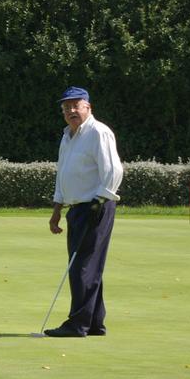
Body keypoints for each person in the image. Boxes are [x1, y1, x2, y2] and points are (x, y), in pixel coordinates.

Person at [45, 87, 124, 337]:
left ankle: (77, 324)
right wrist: (57, 209)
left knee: (82, 265)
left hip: (96, 206)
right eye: (66, 107)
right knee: (87, 265)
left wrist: (98, 202)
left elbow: (113, 171)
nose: (70, 111)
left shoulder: (98, 132)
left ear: (88, 107)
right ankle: (93, 323)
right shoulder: (67, 136)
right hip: (76, 208)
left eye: (75, 105)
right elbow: (62, 175)